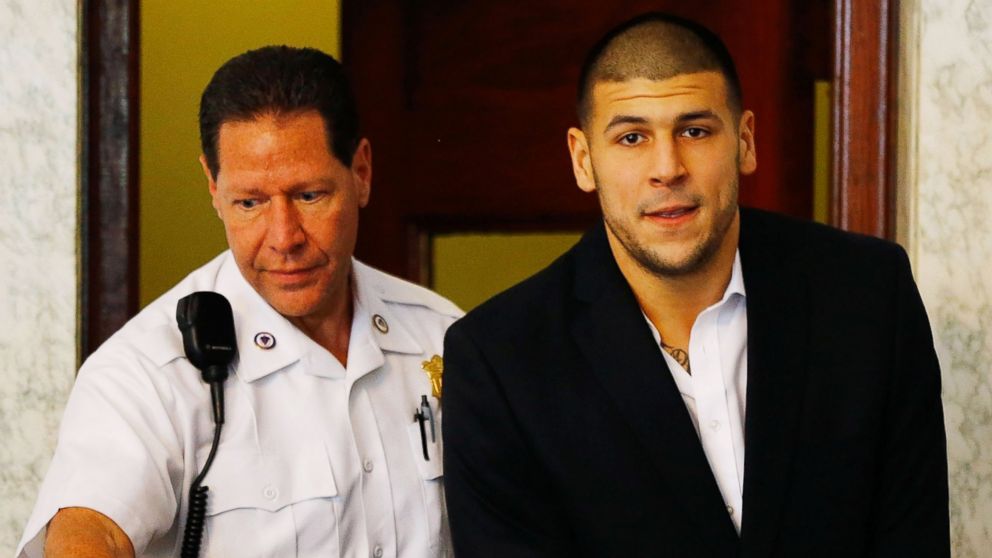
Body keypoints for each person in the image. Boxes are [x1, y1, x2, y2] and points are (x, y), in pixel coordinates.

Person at [442, 12, 949, 557]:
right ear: (583, 159)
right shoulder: (500, 359)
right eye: (632, 137)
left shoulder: (869, 296)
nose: (667, 168)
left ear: (745, 141)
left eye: (695, 131)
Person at [17, 46, 460, 557]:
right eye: (249, 203)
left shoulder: (442, 336)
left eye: (310, 195)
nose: (283, 237)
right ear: (213, 187)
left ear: (360, 172)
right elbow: (89, 530)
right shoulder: (145, 370)